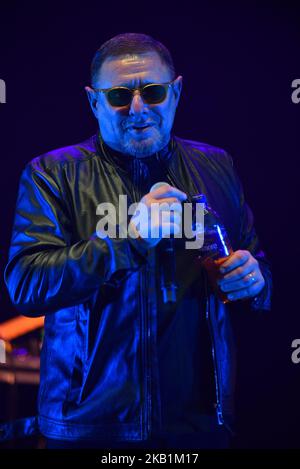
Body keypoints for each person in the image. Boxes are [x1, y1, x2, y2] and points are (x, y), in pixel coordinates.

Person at [4, 33, 272, 449]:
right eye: (119, 96)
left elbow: (257, 265)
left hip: (200, 426)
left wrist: (256, 283)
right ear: (94, 102)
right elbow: (27, 286)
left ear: (176, 92)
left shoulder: (216, 164)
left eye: (153, 91)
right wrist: (127, 238)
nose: (138, 108)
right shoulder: (52, 173)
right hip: (88, 427)